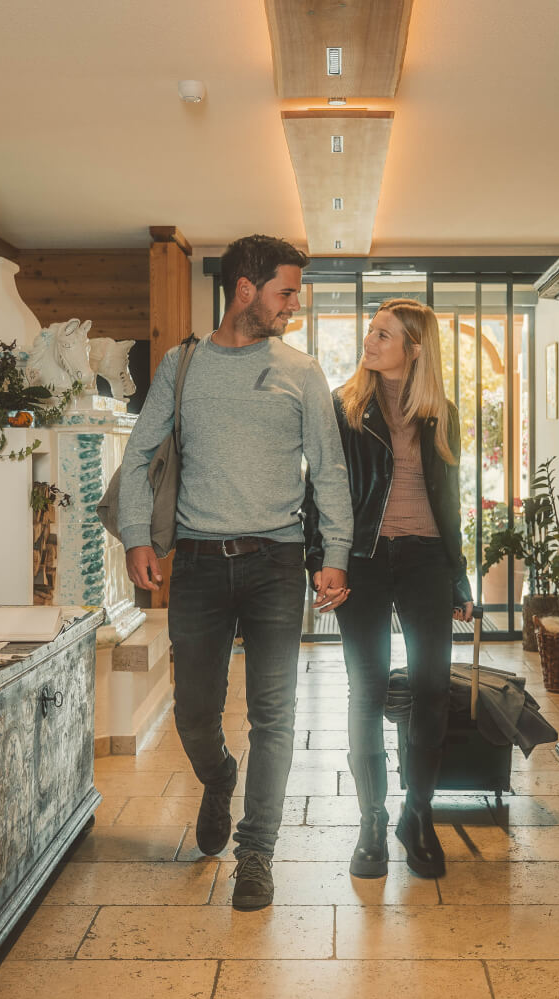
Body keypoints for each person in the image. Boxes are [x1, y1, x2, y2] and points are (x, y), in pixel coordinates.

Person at [118, 234, 353, 911]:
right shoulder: (182, 365)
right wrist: (136, 536)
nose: (294, 306)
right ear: (245, 289)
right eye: (286, 292)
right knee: (193, 712)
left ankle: (256, 852)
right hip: (196, 563)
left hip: (277, 562)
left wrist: (335, 554)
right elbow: (139, 456)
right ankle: (219, 777)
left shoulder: (301, 372)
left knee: (274, 715)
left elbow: (329, 469)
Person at [305, 299, 473, 880]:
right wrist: (320, 561)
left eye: (384, 334)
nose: (369, 340)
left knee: (432, 688)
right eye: (371, 331)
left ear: (415, 348)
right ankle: (371, 821)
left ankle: (417, 815)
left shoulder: (441, 412)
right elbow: (321, 490)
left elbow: (449, 501)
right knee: (368, 689)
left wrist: (458, 576)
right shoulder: (344, 407)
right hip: (364, 560)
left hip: (426, 559)